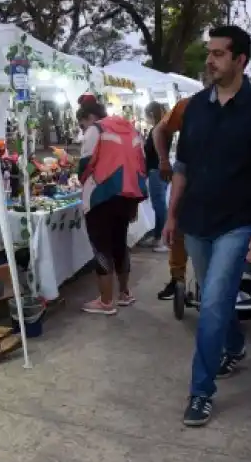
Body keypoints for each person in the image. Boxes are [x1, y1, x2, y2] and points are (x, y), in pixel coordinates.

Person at [162, 25, 251, 426]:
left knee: (214, 302)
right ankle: (234, 345)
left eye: (218, 54)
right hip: (197, 221)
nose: (210, 61)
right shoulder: (195, 106)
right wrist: (171, 215)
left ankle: (200, 392)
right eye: (209, 53)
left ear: (240, 60)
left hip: (239, 223)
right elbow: (182, 167)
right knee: (216, 303)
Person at [76, 95, 147, 314]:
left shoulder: (96, 130)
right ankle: (125, 293)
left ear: (89, 116)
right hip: (128, 194)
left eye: (82, 124)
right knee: (120, 244)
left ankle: (106, 301)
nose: (82, 130)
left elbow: (85, 164)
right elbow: (142, 162)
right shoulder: (129, 129)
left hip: (101, 195)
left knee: (101, 247)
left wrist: (81, 180)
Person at [152, 97, 190, 299]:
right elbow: (159, 130)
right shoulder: (189, 104)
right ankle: (177, 278)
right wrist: (164, 159)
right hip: (189, 178)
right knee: (177, 229)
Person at [138, 101, 169, 251]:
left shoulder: (158, 130)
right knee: (159, 205)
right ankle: (158, 236)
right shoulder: (163, 128)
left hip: (157, 171)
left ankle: (163, 239)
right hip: (158, 171)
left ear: (151, 114)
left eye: (146, 116)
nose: (145, 119)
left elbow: (152, 152)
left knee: (160, 205)